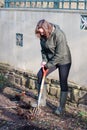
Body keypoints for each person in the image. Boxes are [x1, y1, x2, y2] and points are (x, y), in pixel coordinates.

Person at [35, 19, 72, 115]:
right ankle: (41, 101)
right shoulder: (42, 35)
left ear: (47, 29)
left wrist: (48, 65)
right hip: (51, 60)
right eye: (40, 33)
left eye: (42, 32)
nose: (41, 34)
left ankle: (61, 108)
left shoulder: (59, 35)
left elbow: (60, 54)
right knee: (40, 75)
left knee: (63, 81)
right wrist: (44, 60)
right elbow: (43, 50)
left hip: (64, 60)